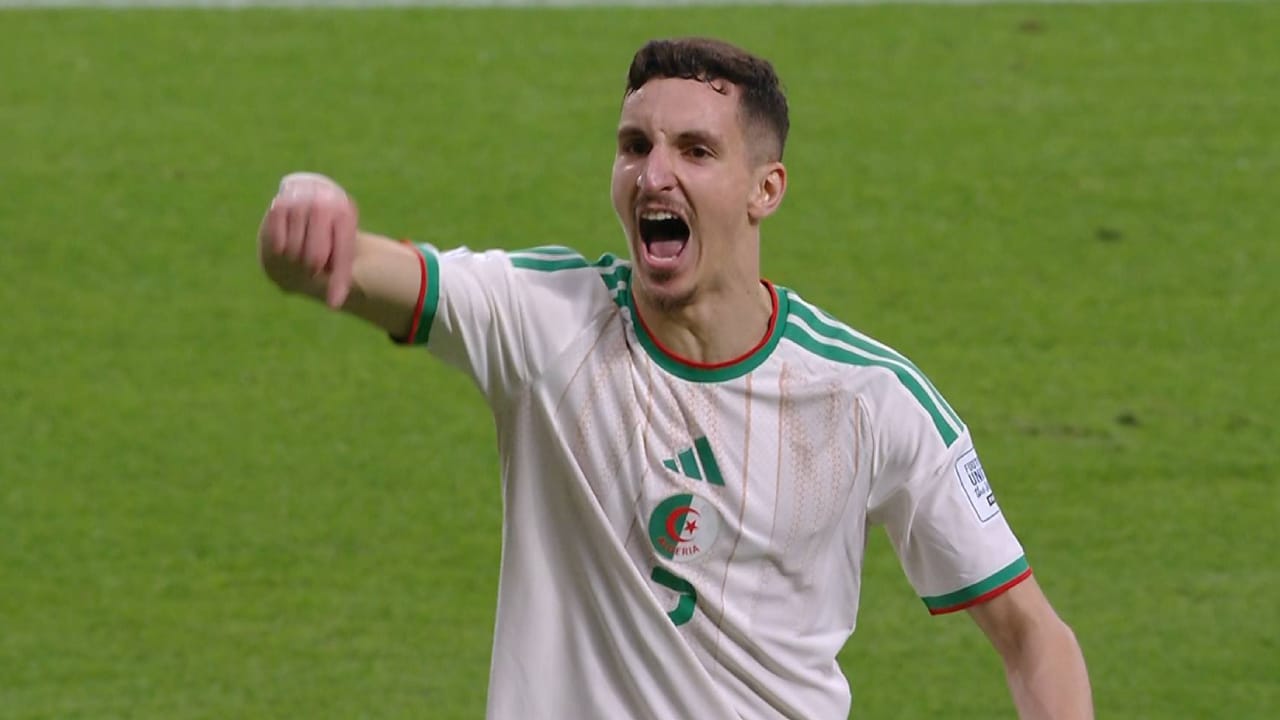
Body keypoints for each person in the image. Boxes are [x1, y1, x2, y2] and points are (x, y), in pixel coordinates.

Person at [258, 37, 1092, 720]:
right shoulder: (544, 324)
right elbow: (343, 267)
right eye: (635, 147)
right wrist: (306, 211)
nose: (654, 174)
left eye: (695, 150)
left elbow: (1033, 635)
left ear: (765, 189)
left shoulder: (867, 399)